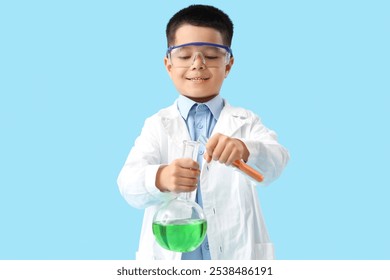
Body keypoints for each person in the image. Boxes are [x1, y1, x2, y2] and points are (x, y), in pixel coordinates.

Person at [117, 4, 289, 260]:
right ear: (168, 64)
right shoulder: (157, 124)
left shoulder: (245, 121)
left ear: (228, 65)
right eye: (185, 56)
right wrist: (161, 177)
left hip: (236, 258)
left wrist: (245, 150)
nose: (197, 65)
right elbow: (128, 183)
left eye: (210, 55)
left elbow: (277, 161)